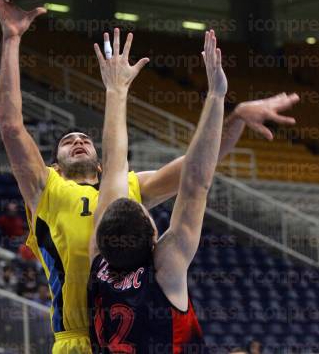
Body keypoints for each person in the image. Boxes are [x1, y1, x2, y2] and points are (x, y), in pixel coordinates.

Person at [0, 0, 299, 353]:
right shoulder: (47, 190)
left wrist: (235, 118)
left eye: (85, 138)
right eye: (67, 141)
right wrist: (11, 39)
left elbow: (199, 166)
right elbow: (10, 126)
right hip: (77, 338)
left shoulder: (124, 193)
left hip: (110, 324)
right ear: (53, 165)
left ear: (102, 166)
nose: (78, 140)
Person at [88, 30, 225, 352]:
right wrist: (217, 96)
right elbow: (195, 184)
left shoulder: (99, 264)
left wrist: (116, 90)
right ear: (154, 239)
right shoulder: (164, 272)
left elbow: (117, 166)